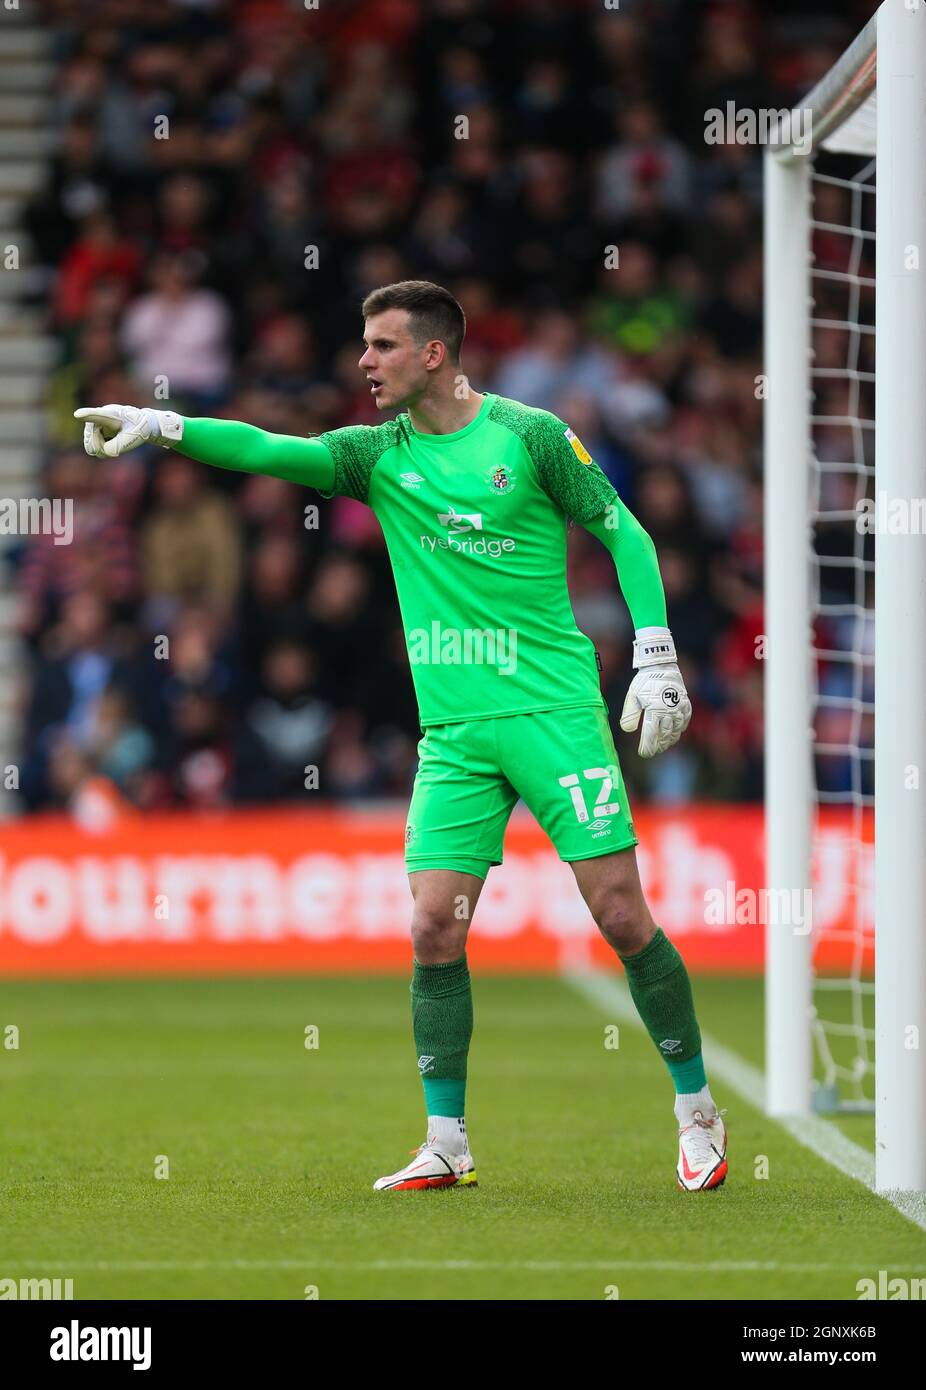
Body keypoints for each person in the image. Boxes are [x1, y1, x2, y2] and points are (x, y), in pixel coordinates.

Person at [76, 279, 727, 1194]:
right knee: (431, 926)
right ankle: (447, 1140)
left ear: (433, 354)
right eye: (363, 345)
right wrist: (166, 425)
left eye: (381, 346)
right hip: (455, 731)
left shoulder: (532, 436)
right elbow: (271, 449)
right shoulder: (376, 455)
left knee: (620, 913)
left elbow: (625, 533)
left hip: (552, 712)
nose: (363, 362)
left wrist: (656, 651)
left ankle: (696, 1110)